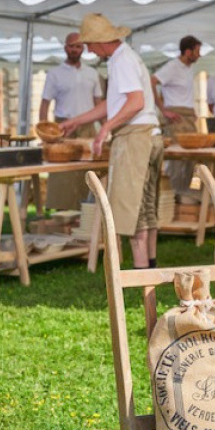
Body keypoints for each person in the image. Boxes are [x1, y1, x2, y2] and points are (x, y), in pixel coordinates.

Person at [61, 14, 163, 270]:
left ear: (101, 41)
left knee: (133, 212)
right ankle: (150, 274)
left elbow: (135, 102)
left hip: (135, 138)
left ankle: (143, 278)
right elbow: (115, 102)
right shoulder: (124, 57)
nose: (89, 50)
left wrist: (106, 128)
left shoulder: (121, 60)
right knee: (146, 210)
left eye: (89, 44)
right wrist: (76, 121)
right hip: (149, 135)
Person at [38, 32, 103, 211]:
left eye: (78, 46)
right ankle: (61, 212)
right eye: (71, 46)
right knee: (62, 171)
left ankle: (86, 212)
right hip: (63, 127)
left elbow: (99, 103)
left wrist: (106, 127)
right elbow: (45, 103)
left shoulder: (92, 73)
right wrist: (44, 132)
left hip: (88, 127)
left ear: (83, 49)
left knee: (87, 171)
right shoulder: (55, 74)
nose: (74, 49)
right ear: (65, 47)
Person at [152, 35, 202, 194]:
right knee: (176, 159)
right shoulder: (172, 66)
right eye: (197, 51)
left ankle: (185, 193)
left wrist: (193, 111)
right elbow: (152, 82)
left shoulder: (189, 68)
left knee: (191, 159)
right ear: (188, 52)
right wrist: (163, 110)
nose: (199, 55)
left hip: (188, 116)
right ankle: (173, 194)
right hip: (176, 117)